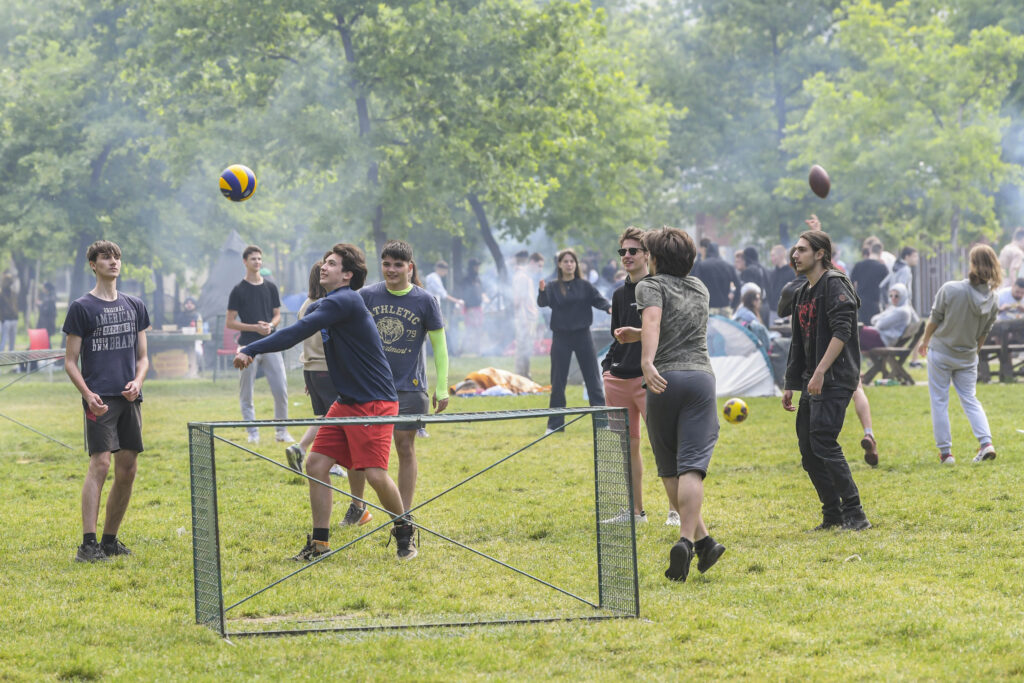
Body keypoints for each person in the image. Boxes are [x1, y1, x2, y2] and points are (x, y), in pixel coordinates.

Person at [234, 243, 416, 560]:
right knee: (316, 463)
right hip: (347, 400)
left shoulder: (344, 300)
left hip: (374, 401)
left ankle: (405, 531)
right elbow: (300, 326)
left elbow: (295, 333)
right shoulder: (329, 302)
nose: (324, 267)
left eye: (332, 264)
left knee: (374, 474)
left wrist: (251, 349)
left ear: (347, 275)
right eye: (325, 262)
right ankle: (319, 545)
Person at [615, 226, 726, 582]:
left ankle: (689, 542)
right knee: (692, 467)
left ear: (655, 258)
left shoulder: (650, 285)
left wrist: (646, 361)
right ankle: (699, 541)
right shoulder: (700, 287)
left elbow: (653, 319)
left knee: (670, 469)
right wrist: (638, 335)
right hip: (700, 380)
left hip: (665, 381)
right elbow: (673, 325)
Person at [348, 240, 450, 527]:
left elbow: (440, 347)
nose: (391, 270)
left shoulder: (425, 300)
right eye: (386, 264)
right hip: (369, 389)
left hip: (409, 386)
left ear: (410, 267)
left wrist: (441, 387)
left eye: (398, 264)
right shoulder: (366, 296)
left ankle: (403, 515)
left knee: (405, 447)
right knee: (360, 449)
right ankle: (357, 506)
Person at [63, 240, 151, 562]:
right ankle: (88, 545)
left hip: (130, 397)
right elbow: (71, 361)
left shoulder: (135, 305)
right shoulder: (81, 308)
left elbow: (143, 358)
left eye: (116, 257)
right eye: (105, 257)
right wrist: (88, 395)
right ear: (93, 265)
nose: (113, 262)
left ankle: (110, 541)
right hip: (99, 399)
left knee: (127, 469)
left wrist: (138, 381)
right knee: (100, 463)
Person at [781, 229, 871, 531]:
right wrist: (790, 383)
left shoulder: (835, 284)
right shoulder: (804, 291)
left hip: (835, 376)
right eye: (795, 250)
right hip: (812, 378)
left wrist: (820, 371)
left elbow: (842, 332)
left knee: (823, 440)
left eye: (803, 250)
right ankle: (832, 513)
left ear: (820, 254)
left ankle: (856, 513)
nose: (796, 255)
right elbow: (798, 340)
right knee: (808, 448)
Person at [599, 227, 662, 525]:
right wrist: (607, 368)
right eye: (622, 251)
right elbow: (617, 336)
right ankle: (636, 512)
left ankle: (676, 512)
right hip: (618, 379)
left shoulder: (659, 288)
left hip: (650, 380)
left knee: (664, 445)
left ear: (647, 254)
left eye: (633, 251)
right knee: (628, 449)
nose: (626, 256)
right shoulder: (617, 294)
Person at [918, 245, 1002, 465]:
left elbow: (934, 319)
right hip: (968, 355)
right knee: (970, 400)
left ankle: (946, 454)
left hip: (942, 352)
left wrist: (925, 341)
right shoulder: (993, 299)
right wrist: (973, 354)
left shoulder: (951, 289)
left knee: (939, 402)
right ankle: (986, 443)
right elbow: (983, 334)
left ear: (972, 264)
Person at [538, 248, 611, 434]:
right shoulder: (553, 286)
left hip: (583, 335)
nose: (569, 264)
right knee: (558, 381)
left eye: (572, 261)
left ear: (576, 264)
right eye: (565, 261)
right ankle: (555, 425)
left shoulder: (584, 286)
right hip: (561, 337)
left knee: (593, 379)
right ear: (560, 265)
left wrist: (609, 309)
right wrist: (541, 291)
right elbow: (543, 302)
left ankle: (602, 422)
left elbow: (599, 300)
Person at [226, 245, 293, 445]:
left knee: (281, 390)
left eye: (259, 259)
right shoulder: (238, 290)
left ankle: (281, 432)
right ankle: (252, 432)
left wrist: (270, 325)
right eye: (253, 259)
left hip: (271, 344)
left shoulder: (271, 287)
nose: (257, 262)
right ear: (245, 262)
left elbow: (277, 315)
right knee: (246, 392)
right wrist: (254, 328)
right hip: (247, 347)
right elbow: (230, 322)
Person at [283, 261, 340, 478]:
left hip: (310, 369)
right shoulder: (327, 306)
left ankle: (328, 461)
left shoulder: (305, 305)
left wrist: (309, 376)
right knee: (334, 417)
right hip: (327, 368)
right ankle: (303, 448)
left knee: (327, 416)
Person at [859, 284, 919, 351]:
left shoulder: (902, 311)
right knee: (854, 331)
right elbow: (873, 319)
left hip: (884, 340)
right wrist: (881, 319)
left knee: (856, 330)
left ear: (903, 296)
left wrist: (880, 319)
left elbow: (880, 325)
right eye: (891, 295)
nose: (893, 298)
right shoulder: (893, 308)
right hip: (881, 337)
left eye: (896, 296)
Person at [691, 240, 739, 316]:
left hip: (707, 309)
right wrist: (734, 304)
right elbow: (738, 285)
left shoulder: (701, 265)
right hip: (725, 309)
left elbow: (695, 285)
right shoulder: (729, 267)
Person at [512, 251, 539, 378]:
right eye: (539, 265)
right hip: (525, 318)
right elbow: (518, 300)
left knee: (527, 347)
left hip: (528, 317)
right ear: (532, 262)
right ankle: (521, 375)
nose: (540, 269)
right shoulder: (522, 277)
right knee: (523, 347)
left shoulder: (525, 276)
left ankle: (525, 374)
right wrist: (524, 320)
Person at [850, 244, 890, 324]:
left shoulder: (859, 265)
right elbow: (885, 287)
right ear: (881, 252)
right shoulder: (882, 267)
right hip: (875, 303)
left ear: (870, 251)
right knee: (873, 327)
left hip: (860, 302)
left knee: (861, 329)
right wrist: (887, 303)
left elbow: (850, 283)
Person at [459, 258, 488, 355]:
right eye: (476, 266)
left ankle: (478, 351)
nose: (478, 268)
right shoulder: (466, 280)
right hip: (470, 308)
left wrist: (485, 298)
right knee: (469, 331)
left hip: (478, 308)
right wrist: (469, 308)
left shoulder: (478, 279)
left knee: (479, 330)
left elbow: (482, 292)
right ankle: (461, 350)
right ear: (472, 267)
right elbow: (465, 295)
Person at [767, 245, 795, 323]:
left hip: (787, 312)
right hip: (773, 311)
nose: (771, 259)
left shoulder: (792, 273)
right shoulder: (772, 274)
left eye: (773, 255)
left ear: (781, 255)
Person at [0, 273, 17, 353]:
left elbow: (15, 305)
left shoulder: (12, 293)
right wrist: (2, 319)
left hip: (13, 318)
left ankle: (11, 354)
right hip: (6, 319)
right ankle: (2, 355)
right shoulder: (2, 294)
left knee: (12, 341)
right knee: (4, 339)